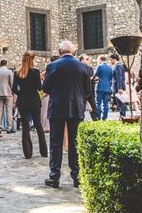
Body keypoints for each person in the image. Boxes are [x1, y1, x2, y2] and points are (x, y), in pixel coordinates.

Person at [42, 41, 92, 188]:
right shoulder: (83, 67)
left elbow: (46, 88)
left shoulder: (52, 66)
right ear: (74, 52)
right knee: (75, 142)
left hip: (57, 107)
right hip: (76, 108)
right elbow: (88, 90)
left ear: (59, 52)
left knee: (56, 143)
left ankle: (54, 177)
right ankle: (77, 176)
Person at [12, 52, 47, 159]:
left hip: (22, 101)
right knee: (38, 125)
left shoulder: (17, 72)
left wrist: (21, 94)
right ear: (32, 60)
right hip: (34, 100)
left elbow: (14, 88)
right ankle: (44, 151)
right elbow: (39, 87)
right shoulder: (35, 72)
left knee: (25, 126)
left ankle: (27, 152)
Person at [0, 59, 14, 134]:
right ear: (6, 64)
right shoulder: (9, 71)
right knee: (9, 110)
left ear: (0, 64)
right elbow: (11, 83)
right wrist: (12, 92)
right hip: (8, 92)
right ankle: (9, 127)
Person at [78, 54, 99, 121]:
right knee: (82, 108)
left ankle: (96, 121)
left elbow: (91, 78)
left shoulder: (90, 68)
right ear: (81, 60)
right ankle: (81, 122)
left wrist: (94, 80)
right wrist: (89, 79)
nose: (88, 60)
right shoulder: (78, 68)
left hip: (90, 91)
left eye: (88, 59)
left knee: (94, 108)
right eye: (86, 59)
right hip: (82, 92)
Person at [94, 55, 113, 120]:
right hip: (107, 88)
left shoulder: (99, 66)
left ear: (100, 59)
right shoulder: (110, 68)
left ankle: (98, 118)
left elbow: (94, 75)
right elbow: (111, 78)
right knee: (106, 104)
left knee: (98, 103)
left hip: (100, 87)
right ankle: (105, 118)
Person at [110, 54, 127, 118]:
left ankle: (123, 116)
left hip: (118, 88)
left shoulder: (118, 66)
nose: (110, 61)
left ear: (114, 59)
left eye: (111, 60)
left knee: (121, 103)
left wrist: (120, 88)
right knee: (120, 103)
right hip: (117, 87)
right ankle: (122, 116)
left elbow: (119, 77)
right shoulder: (117, 65)